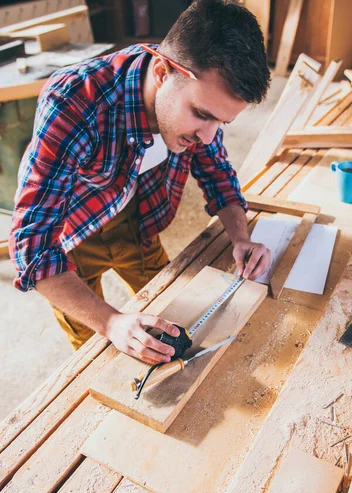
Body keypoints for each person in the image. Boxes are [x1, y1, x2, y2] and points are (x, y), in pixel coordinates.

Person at [9, 0, 271, 365]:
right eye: (201, 115)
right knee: (97, 354)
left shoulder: (195, 108)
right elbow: (33, 249)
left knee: (172, 325)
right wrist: (112, 322)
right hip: (73, 237)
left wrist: (240, 237)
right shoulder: (74, 101)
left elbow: (218, 176)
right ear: (163, 72)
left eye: (221, 124)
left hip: (140, 222)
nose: (209, 138)